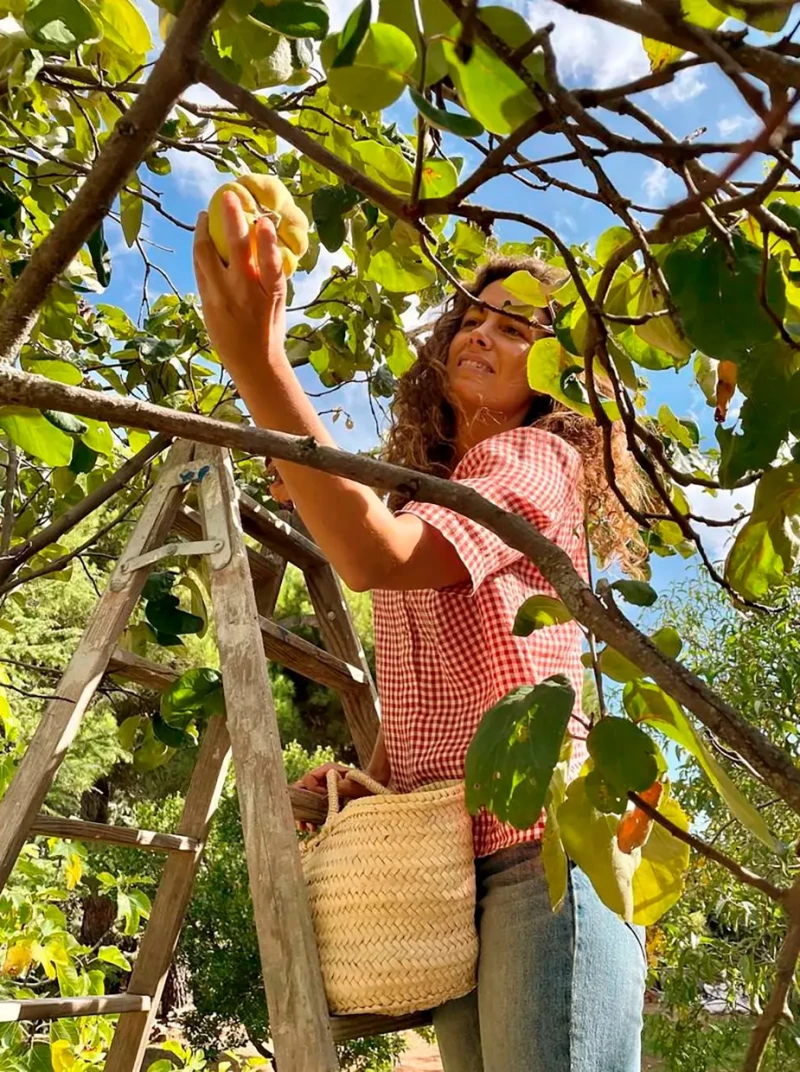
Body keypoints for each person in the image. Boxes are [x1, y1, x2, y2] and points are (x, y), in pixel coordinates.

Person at [193, 193, 649, 1072]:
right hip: (457, 867)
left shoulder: (537, 460)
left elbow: (372, 555)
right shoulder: (426, 495)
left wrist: (256, 359)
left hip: (542, 857)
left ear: (556, 370)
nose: (481, 333)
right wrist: (377, 782)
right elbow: (439, 692)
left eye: (516, 329)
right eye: (472, 318)